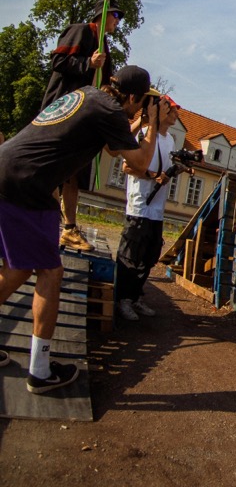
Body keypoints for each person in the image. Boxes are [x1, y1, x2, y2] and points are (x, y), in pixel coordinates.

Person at [0, 66, 165, 394]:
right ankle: (40, 372)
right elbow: (141, 162)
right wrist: (153, 124)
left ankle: (39, 367)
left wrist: (139, 124)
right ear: (134, 97)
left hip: (8, 170)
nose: (142, 108)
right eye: (143, 102)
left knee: (17, 269)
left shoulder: (89, 95)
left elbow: (113, 148)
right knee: (50, 273)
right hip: (27, 186)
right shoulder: (111, 111)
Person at [40, 0, 125, 252]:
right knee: (52, 168)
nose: (118, 21)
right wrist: (88, 63)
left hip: (83, 114)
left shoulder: (104, 46)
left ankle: (69, 228)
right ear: (103, 15)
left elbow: (101, 83)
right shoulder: (80, 31)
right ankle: (46, 220)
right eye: (116, 16)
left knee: (74, 172)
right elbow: (58, 62)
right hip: (63, 110)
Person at [116, 95, 186, 322]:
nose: (175, 114)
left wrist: (178, 169)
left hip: (157, 209)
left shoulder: (170, 141)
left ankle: (135, 296)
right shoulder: (144, 134)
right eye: (171, 109)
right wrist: (153, 176)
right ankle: (122, 299)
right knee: (130, 255)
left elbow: (166, 170)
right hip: (139, 205)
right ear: (158, 111)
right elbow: (127, 167)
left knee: (149, 255)